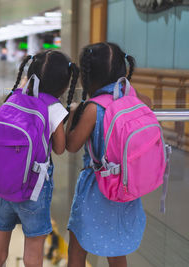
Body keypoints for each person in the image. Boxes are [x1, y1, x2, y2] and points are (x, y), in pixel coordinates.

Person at [0, 51, 79, 267]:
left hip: (3, 186)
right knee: (33, 254)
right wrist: (70, 116)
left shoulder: (13, 97)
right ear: (64, 85)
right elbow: (59, 148)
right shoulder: (53, 108)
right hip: (33, 190)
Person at [65, 42, 150, 267]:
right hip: (125, 187)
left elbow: (72, 145)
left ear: (88, 75)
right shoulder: (134, 98)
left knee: (77, 249)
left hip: (96, 189)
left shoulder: (94, 108)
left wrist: (73, 114)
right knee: (117, 250)